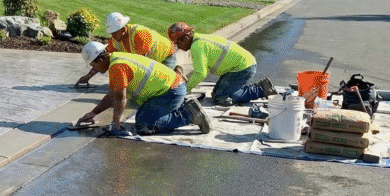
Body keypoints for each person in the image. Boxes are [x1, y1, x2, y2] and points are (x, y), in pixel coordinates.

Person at [76, 45, 211, 135]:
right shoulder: (117, 57)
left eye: (94, 66)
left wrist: (116, 125)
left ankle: (187, 114)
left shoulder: (117, 67)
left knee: (143, 125)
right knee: (141, 113)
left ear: (100, 60)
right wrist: (93, 113)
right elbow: (112, 95)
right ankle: (180, 105)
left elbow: (120, 98)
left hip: (171, 91)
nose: (96, 70)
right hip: (171, 88)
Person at [167, 22, 275, 106]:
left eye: (177, 43)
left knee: (221, 97)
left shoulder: (197, 46)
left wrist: (185, 89)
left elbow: (200, 73)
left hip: (242, 68)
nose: (178, 47)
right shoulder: (199, 39)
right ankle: (258, 87)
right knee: (217, 94)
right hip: (238, 66)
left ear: (185, 39)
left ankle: (261, 89)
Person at [75, 12, 178, 86]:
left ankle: (177, 75)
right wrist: (88, 76)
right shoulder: (115, 40)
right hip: (154, 61)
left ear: (123, 29)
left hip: (166, 57)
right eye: (111, 33)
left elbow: (141, 65)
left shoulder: (139, 34)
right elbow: (102, 59)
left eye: (115, 32)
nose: (113, 36)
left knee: (162, 86)